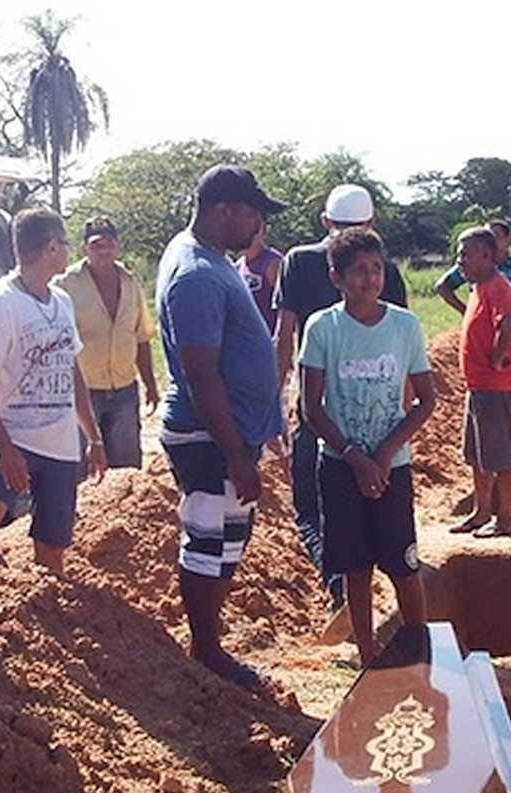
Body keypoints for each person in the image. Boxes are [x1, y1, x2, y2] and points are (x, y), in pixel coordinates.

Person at [156, 165, 288, 692]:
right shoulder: (197, 275)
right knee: (208, 540)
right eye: (253, 215)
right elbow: (200, 372)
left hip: (230, 434)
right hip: (209, 437)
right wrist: (234, 451)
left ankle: (211, 647)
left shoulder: (210, 260)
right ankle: (206, 652)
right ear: (224, 210)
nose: (258, 227)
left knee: (228, 539)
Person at [298, 227, 437, 666]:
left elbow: (425, 401)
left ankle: (418, 645)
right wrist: (356, 458)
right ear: (336, 276)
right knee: (356, 566)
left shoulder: (404, 326)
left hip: (392, 466)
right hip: (341, 467)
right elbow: (311, 408)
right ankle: (366, 653)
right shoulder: (323, 329)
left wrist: (380, 456)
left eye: (376, 269)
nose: (370, 279)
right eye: (358, 271)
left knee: (403, 562)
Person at [273, 184, 411, 614]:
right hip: (375, 416)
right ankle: (356, 597)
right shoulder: (383, 266)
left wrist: (278, 401)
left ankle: (340, 592)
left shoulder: (297, 260)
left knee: (313, 507)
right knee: (379, 509)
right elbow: (401, 350)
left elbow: (284, 336)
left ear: (324, 222)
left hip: (319, 414)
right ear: (371, 224)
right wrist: (399, 421)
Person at [0, 209, 108, 575]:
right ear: (51, 247)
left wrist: (93, 437)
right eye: (66, 244)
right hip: (13, 435)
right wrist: (4, 448)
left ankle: (47, 615)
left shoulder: (62, 302)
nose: (69, 252)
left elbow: (72, 370)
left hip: (58, 442)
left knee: (52, 543)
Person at [59, 216, 159, 471]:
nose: (103, 251)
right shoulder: (65, 284)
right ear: (84, 249)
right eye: (96, 245)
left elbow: (141, 337)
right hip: (84, 391)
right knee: (84, 467)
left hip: (124, 388)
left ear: (118, 247)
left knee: (127, 468)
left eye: (108, 245)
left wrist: (150, 384)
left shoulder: (130, 282)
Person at [447, 227, 511, 539]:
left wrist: (496, 357)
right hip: (478, 387)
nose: (460, 260)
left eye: (465, 254)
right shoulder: (478, 288)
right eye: (459, 254)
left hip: (496, 388)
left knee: (501, 456)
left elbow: (510, 323)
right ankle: (481, 513)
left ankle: (505, 519)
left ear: (486, 256)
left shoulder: (498, 287)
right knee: (478, 456)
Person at [436, 218, 511, 358]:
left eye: (496, 237)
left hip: (510, 337)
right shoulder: (473, 264)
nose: (491, 241)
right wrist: (465, 311)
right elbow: (443, 286)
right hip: (481, 335)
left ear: (509, 239)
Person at [237, 216, 283, 336]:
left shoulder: (273, 263)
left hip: (267, 342)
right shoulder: (238, 266)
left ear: (263, 230)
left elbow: (287, 310)